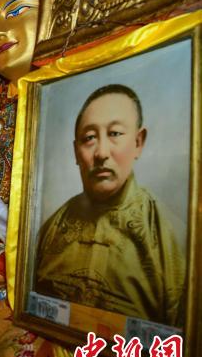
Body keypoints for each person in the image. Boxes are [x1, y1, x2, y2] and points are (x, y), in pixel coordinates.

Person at [35, 84, 185, 326]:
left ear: (138, 142)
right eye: (89, 138)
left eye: (115, 134)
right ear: (76, 151)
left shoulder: (169, 238)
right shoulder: (53, 227)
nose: (101, 152)